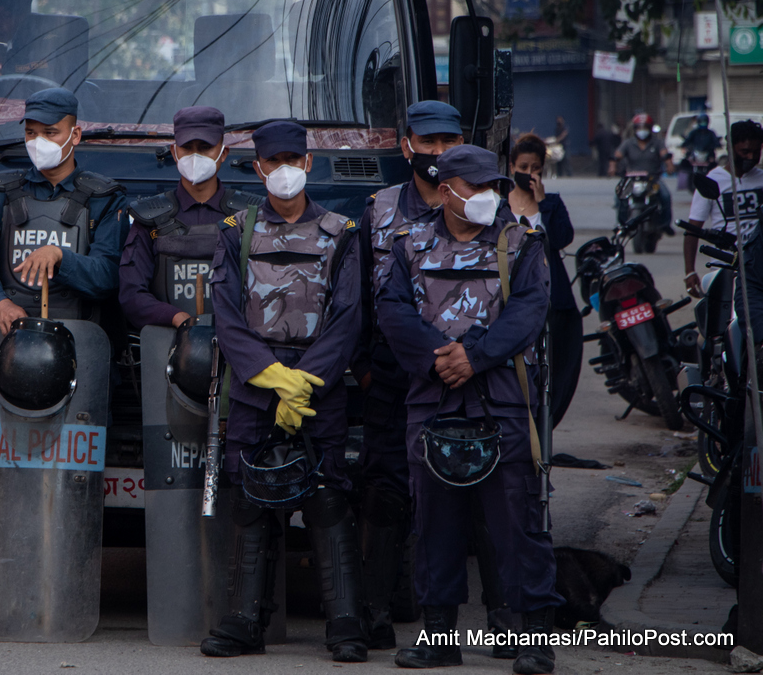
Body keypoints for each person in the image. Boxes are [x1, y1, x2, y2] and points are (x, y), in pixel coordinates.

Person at [376, 145, 563, 674]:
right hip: (432, 398)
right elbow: (391, 310)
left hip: (499, 399)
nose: (485, 197)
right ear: (444, 189)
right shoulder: (408, 243)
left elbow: (529, 310)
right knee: (435, 520)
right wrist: (440, 360)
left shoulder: (519, 242)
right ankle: (439, 636)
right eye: (473, 187)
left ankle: (532, 639)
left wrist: (474, 357)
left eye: (490, 187)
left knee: (517, 521)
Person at [200, 121, 369, 663]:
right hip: (256, 388)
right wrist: (275, 380)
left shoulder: (342, 231)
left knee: (329, 499)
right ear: (258, 168)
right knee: (251, 499)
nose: (284, 170)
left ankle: (345, 625)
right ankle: (244, 622)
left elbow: (348, 319)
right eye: (273, 162)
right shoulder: (236, 229)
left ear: (309, 162)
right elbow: (225, 317)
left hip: (319, 386)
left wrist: (303, 384)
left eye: (293, 159)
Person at [357, 100, 464, 649]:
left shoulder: (475, 205)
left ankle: (435, 615)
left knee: (448, 489)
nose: (438, 154)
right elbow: (353, 295)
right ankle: (375, 610)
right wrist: (363, 369)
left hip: (458, 373)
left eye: (449, 143)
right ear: (407, 146)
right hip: (391, 370)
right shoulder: (376, 209)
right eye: (428, 144)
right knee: (385, 487)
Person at [0, 87, 128, 333]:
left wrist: (60, 257)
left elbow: (108, 276)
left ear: (75, 135)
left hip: (80, 340)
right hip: (11, 337)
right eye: (31, 133)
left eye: (50, 133)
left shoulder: (105, 198)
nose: (39, 142)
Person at [119, 105, 263, 329]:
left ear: (223, 153)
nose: (196, 156)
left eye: (205, 147)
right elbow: (131, 294)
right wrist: (175, 318)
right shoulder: (150, 217)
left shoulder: (251, 216)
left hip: (236, 346)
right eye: (187, 147)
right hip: (166, 346)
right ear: (174, 152)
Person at [508, 134, 582, 423]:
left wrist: (541, 202)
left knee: (555, 369)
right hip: (513, 300)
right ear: (512, 165)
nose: (528, 174)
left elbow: (562, 238)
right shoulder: (500, 206)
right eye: (523, 167)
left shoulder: (551, 203)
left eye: (535, 168)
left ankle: (544, 430)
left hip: (553, 300)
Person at [683, 119, 763, 299]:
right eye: (745, 151)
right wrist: (689, 271)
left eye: (756, 152)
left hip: (758, 267)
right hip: (725, 266)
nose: (750, 157)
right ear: (731, 148)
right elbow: (693, 228)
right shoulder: (714, 180)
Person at [610, 113, 674, 233]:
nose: (642, 131)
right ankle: (621, 224)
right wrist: (612, 167)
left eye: (645, 128)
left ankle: (665, 224)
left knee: (665, 196)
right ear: (635, 129)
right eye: (639, 128)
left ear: (650, 129)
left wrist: (669, 165)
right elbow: (616, 156)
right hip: (632, 180)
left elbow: (665, 155)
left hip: (653, 179)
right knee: (619, 197)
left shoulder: (657, 143)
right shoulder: (628, 143)